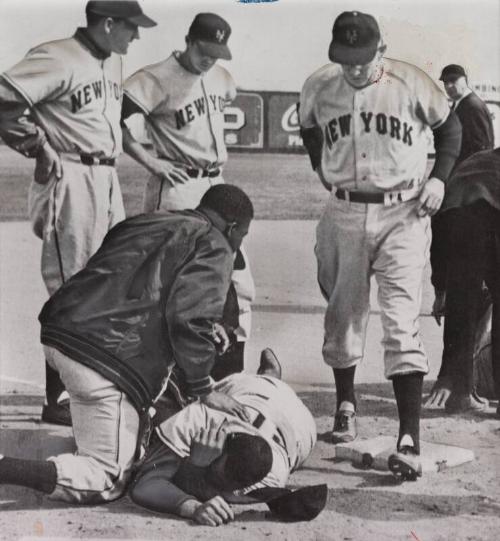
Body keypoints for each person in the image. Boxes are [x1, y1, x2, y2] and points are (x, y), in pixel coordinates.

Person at [0, 184, 255, 505]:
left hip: (60, 333)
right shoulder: (215, 243)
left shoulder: (148, 220)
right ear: (232, 227)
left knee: (128, 440)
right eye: (241, 236)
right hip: (102, 358)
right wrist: (204, 389)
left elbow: (134, 285)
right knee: (107, 478)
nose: (237, 244)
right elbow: (188, 320)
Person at [299, 11, 461, 480]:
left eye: (361, 59)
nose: (352, 69)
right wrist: (325, 170)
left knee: (400, 318)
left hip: (404, 211)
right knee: (342, 311)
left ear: (381, 49)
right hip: (343, 209)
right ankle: (345, 404)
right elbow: (311, 133)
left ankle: (408, 432)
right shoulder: (319, 86)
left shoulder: (412, 82)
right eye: (344, 59)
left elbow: (450, 131)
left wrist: (439, 179)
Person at [0, 0, 157, 426]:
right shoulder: (58, 56)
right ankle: (57, 400)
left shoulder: (110, 62)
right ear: (108, 24)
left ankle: (91, 385)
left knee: (110, 282)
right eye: (131, 27)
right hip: (70, 176)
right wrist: (37, 145)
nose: (136, 36)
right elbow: (4, 99)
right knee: (70, 290)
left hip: (105, 178)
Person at [121, 12, 255, 379]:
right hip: (178, 187)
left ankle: (230, 375)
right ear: (189, 40)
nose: (210, 58)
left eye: (217, 51)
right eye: (205, 49)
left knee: (237, 281)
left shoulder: (220, 78)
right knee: (177, 284)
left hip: (217, 185)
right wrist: (150, 161)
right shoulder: (154, 78)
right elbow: (109, 119)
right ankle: (164, 376)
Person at [129, 350, 327, 526]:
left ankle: (271, 377)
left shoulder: (269, 480)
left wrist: (194, 490)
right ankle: (269, 376)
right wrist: (193, 482)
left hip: (300, 427)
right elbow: (145, 483)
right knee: (215, 392)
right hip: (259, 396)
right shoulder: (206, 420)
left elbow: (150, 486)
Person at [427, 64, 495, 408]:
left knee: (467, 298)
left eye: (453, 81)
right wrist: (441, 287)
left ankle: (456, 384)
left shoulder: (473, 109)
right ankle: (458, 384)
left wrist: (441, 288)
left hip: (463, 202)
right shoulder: (466, 199)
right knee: (471, 296)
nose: (449, 87)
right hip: (470, 207)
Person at [426, 148, 500, 416]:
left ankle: (460, 394)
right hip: (490, 212)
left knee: (462, 306)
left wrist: (441, 289)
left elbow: (438, 238)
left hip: (456, 216)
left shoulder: (471, 163)